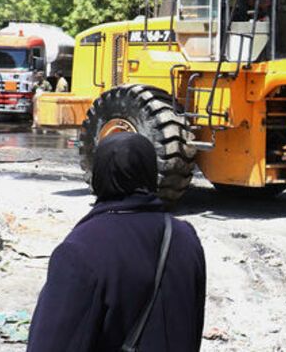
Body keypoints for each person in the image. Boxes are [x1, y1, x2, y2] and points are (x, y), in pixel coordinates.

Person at [27, 133, 206, 351]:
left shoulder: (80, 250)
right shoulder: (185, 238)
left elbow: (53, 343)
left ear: (98, 176)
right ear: (150, 174)